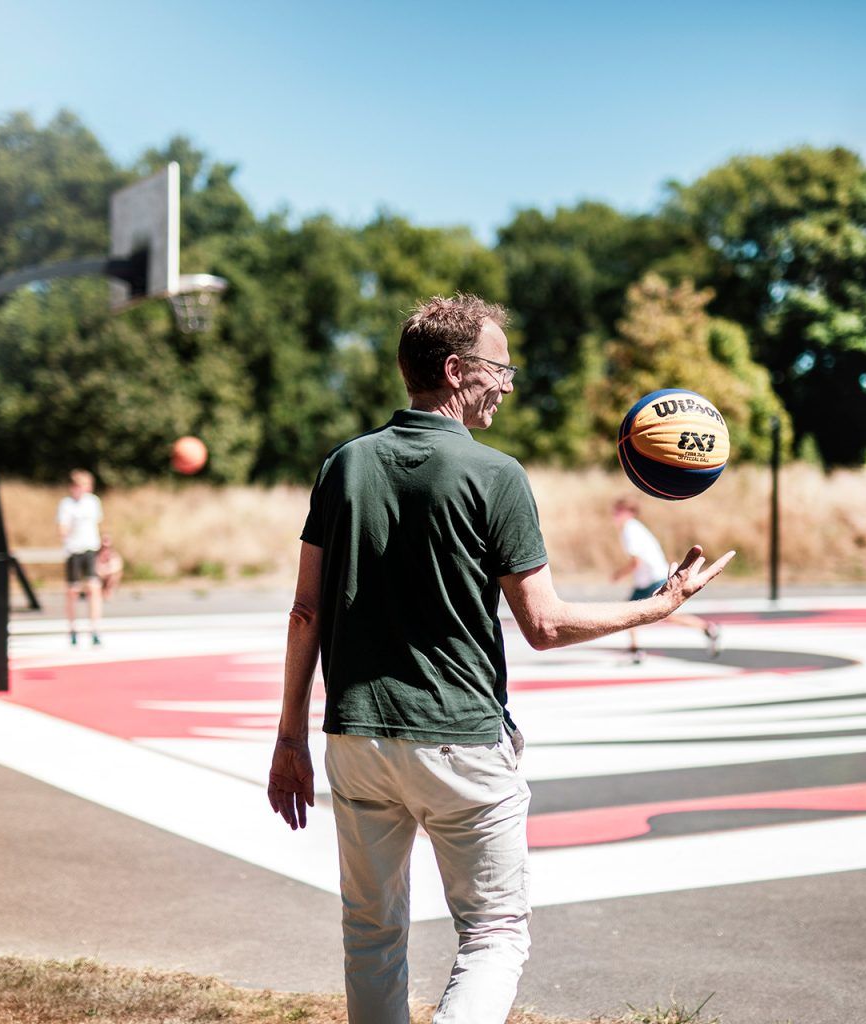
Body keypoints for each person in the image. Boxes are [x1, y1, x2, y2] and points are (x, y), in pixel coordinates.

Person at [267, 294, 734, 1023]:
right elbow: (543, 625)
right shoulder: (496, 475)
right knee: (493, 933)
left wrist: (289, 738)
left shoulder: (343, 465)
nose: (509, 385)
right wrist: (660, 605)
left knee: (371, 932)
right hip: (460, 740)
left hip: (355, 738)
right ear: (457, 370)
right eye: (500, 368)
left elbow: (305, 612)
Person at [611, 498, 723, 662]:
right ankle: (708, 629)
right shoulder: (633, 528)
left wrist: (619, 574)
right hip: (649, 579)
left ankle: (636, 651)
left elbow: (636, 561)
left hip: (652, 579)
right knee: (635, 614)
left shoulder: (630, 530)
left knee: (636, 613)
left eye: (619, 511)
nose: (615, 514)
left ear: (630, 512)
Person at [57, 468, 104, 646]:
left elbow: (96, 524)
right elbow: (62, 528)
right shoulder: (66, 504)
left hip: (90, 549)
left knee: (94, 587)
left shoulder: (93, 502)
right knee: (73, 590)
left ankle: (95, 628)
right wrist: (66, 531)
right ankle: (72, 628)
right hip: (73, 551)